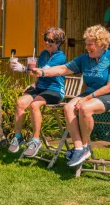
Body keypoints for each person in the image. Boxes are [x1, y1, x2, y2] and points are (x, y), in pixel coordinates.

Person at [28, 25, 110, 167]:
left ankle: (85, 146)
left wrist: (85, 99)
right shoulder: (84, 59)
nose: (86, 47)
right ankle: (79, 147)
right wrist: (42, 72)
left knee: (85, 108)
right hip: (92, 94)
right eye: (86, 44)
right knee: (68, 107)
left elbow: (109, 87)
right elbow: (63, 69)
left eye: (90, 44)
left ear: (102, 44)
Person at [8, 27, 67, 157]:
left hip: (55, 90)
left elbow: (40, 71)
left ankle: (35, 140)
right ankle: (18, 137)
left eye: (50, 40)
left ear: (58, 42)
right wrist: (34, 84)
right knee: (20, 103)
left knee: (35, 105)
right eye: (45, 39)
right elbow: (38, 75)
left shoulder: (60, 57)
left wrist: (22, 68)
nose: (46, 42)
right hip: (40, 88)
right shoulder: (44, 54)